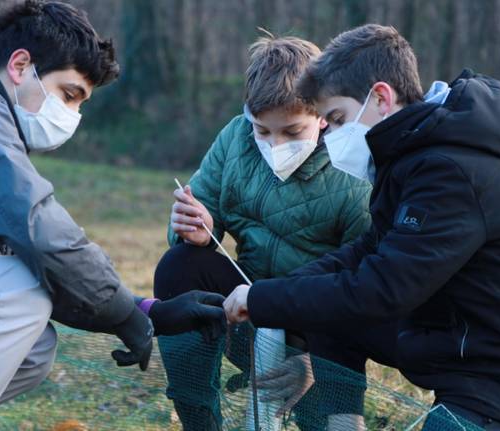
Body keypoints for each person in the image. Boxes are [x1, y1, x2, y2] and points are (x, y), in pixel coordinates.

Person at [0, 1, 226, 429]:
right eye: (69, 94)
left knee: (31, 348)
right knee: (15, 292)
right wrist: (122, 313)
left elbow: (27, 255)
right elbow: (39, 233)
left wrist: (144, 310)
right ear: (20, 65)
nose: (72, 115)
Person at [224, 23, 500, 430]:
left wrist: (264, 301)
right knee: (333, 311)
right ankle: (344, 424)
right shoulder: (412, 156)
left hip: (493, 376)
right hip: (450, 340)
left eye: (337, 119)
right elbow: (365, 253)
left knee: (349, 300)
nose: (332, 137)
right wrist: (269, 292)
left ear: (381, 97)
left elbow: (381, 290)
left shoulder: (449, 172)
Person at [153, 34, 372, 430]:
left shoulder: (353, 170)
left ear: (323, 115)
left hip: (319, 326)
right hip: (245, 304)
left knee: (328, 422)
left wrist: (309, 359)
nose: (274, 144)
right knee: (179, 266)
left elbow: (366, 285)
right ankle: (198, 417)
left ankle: (314, 385)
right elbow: (204, 210)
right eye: (262, 130)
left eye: (291, 132)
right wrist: (195, 229)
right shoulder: (235, 138)